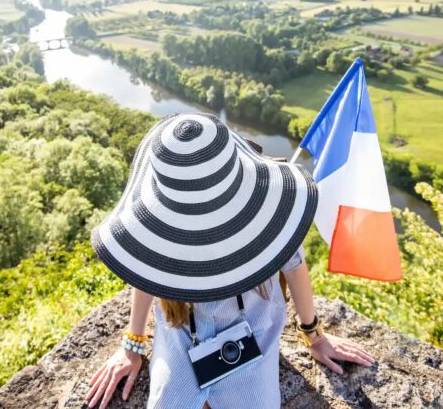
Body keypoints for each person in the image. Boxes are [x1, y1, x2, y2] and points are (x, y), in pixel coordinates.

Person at [86, 113, 376, 409]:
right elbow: (147, 269)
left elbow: (295, 266)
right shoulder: (160, 218)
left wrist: (314, 335)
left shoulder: (268, 209)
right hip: (182, 334)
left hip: (254, 329)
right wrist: (132, 343)